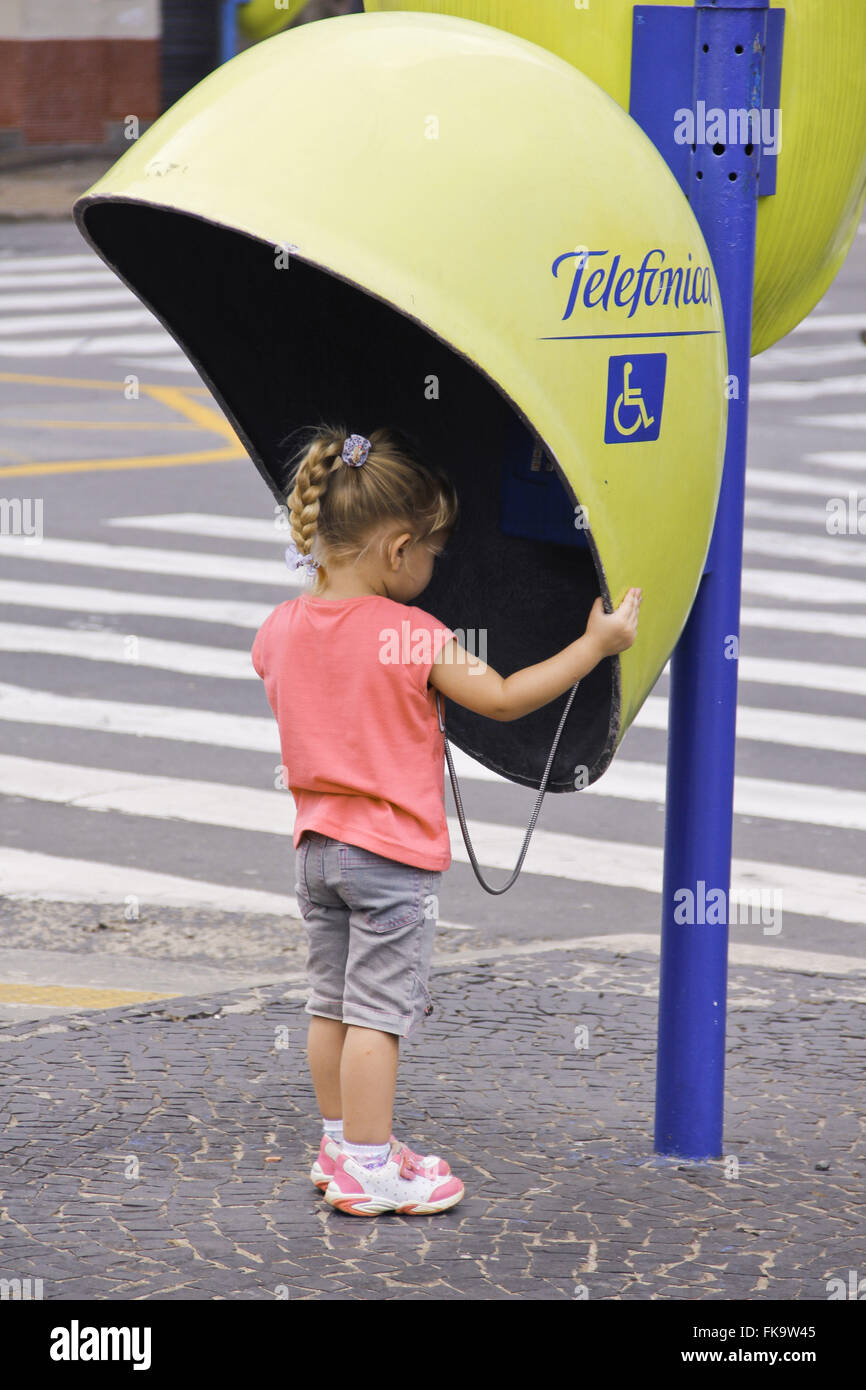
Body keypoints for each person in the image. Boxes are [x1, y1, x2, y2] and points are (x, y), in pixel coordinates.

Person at [251, 424, 642, 1216]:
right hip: (389, 858)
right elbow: (500, 697)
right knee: (378, 1018)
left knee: (329, 1004)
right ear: (396, 550)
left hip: (315, 851)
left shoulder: (279, 630)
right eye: (433, 552)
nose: (436, 569)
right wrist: (594, 646)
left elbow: (310, 694)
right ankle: (368, 1165)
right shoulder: (410, 632)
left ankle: (340, 1142)